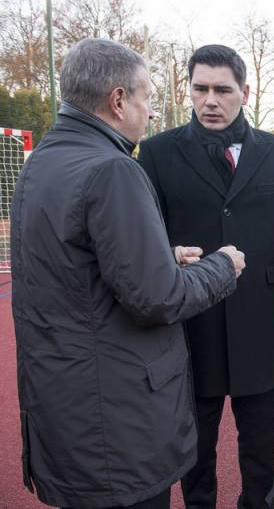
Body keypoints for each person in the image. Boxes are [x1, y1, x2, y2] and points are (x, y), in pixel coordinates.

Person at [11, 38, 246, 509]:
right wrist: (222, 267)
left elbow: (75, 265)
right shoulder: (113, 169)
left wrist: (160, 255)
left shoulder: (44, 162)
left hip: (64, 403)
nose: (152, 113)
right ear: (118, 100)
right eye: (147, 98)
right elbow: (158, 298)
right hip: (115, 419)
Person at [138, 44, 274, 509]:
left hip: (259, 325)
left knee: (259, 449)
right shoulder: (157, 153)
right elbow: (146, 239)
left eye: (222, 90)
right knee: (194, 451)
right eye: (200, 89)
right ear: (188, 90)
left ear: (245, 92)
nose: (210, 100)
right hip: (190, 329)